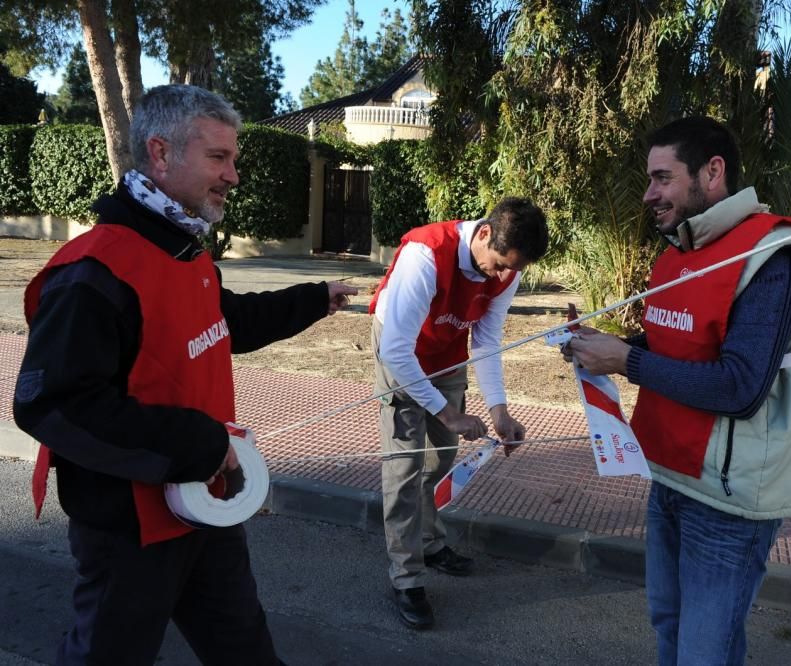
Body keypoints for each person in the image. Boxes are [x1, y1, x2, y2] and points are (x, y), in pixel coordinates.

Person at [12, 84, 358, 666]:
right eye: (218, 158)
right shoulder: (95, 269)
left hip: (204, 505)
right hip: (129, 529)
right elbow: (49, 403)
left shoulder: (185, 248)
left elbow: (226, 323)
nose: (234, 176)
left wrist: (312, 298)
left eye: (235, 159)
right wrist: (200, 444)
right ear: (160, 153)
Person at [566, 116, 791, 665]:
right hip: (671, 472)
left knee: (704, 651)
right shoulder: (677, 254)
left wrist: (628, 359)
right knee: (671, 624)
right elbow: (675, 344)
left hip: (729, 496)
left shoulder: (775, 255)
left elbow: (740, 387)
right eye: (649, 179)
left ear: (713, 172)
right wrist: (607, 346)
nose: (648, 194)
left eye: (662, 178)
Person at [369, 197, 549, 629]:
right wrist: (448, 413)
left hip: (446, 352)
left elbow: (487, 341)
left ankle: (429, 542)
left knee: (440, 459)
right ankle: (406, 577)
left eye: (513, 269)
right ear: (484, 234)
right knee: (405, 469)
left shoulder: (507, 269)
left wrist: (500, 412)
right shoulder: (425, 254)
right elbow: (396, 348)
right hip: (399, 351)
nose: (503, 277)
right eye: (499, 265)